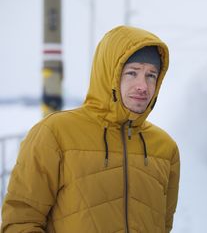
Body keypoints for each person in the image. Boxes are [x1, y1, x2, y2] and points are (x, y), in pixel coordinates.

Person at [1, 25, 180, 233]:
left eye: (151, 75)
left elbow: (164, 225)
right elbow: (21, 221)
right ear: (109, 75)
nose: (143, 86)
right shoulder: (55, 133)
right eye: (132, 73)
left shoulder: (166, 148)